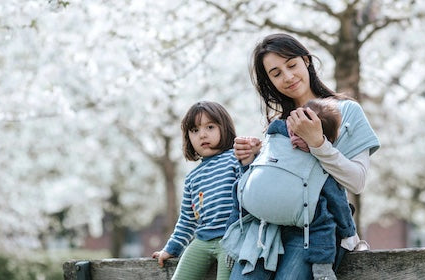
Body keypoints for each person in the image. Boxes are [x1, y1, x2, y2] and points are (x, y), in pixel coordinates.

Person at [222, 33, 380, 280]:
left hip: (316, 232)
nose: (287, 76)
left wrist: (318, 143)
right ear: (270, 82)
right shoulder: (277, 126)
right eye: (276, 73)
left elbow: (356, 181)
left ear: (306, 61)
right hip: (265, 230)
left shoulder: (346, 112)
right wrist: (250, 160)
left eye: (291, 65)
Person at [229, 98, 354, 280]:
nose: (294, 139)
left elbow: (337, 199)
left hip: (306, 229)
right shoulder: (275, 142)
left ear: (323, 138)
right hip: (261, 226)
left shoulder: (321, 160)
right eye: (293, 132)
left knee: (323, 219)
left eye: (303, 137)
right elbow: (255, 178)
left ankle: (322, 265)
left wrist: (348, 231)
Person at [152, 101, 240, 280]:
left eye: (210, 127)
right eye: (195, 130)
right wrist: (171, 249)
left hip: (231, 239)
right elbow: (187, 219)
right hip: (202, 240)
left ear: (225, 128)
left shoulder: (236, 158)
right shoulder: (193, 177)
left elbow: (249, 193)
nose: (203, 135)